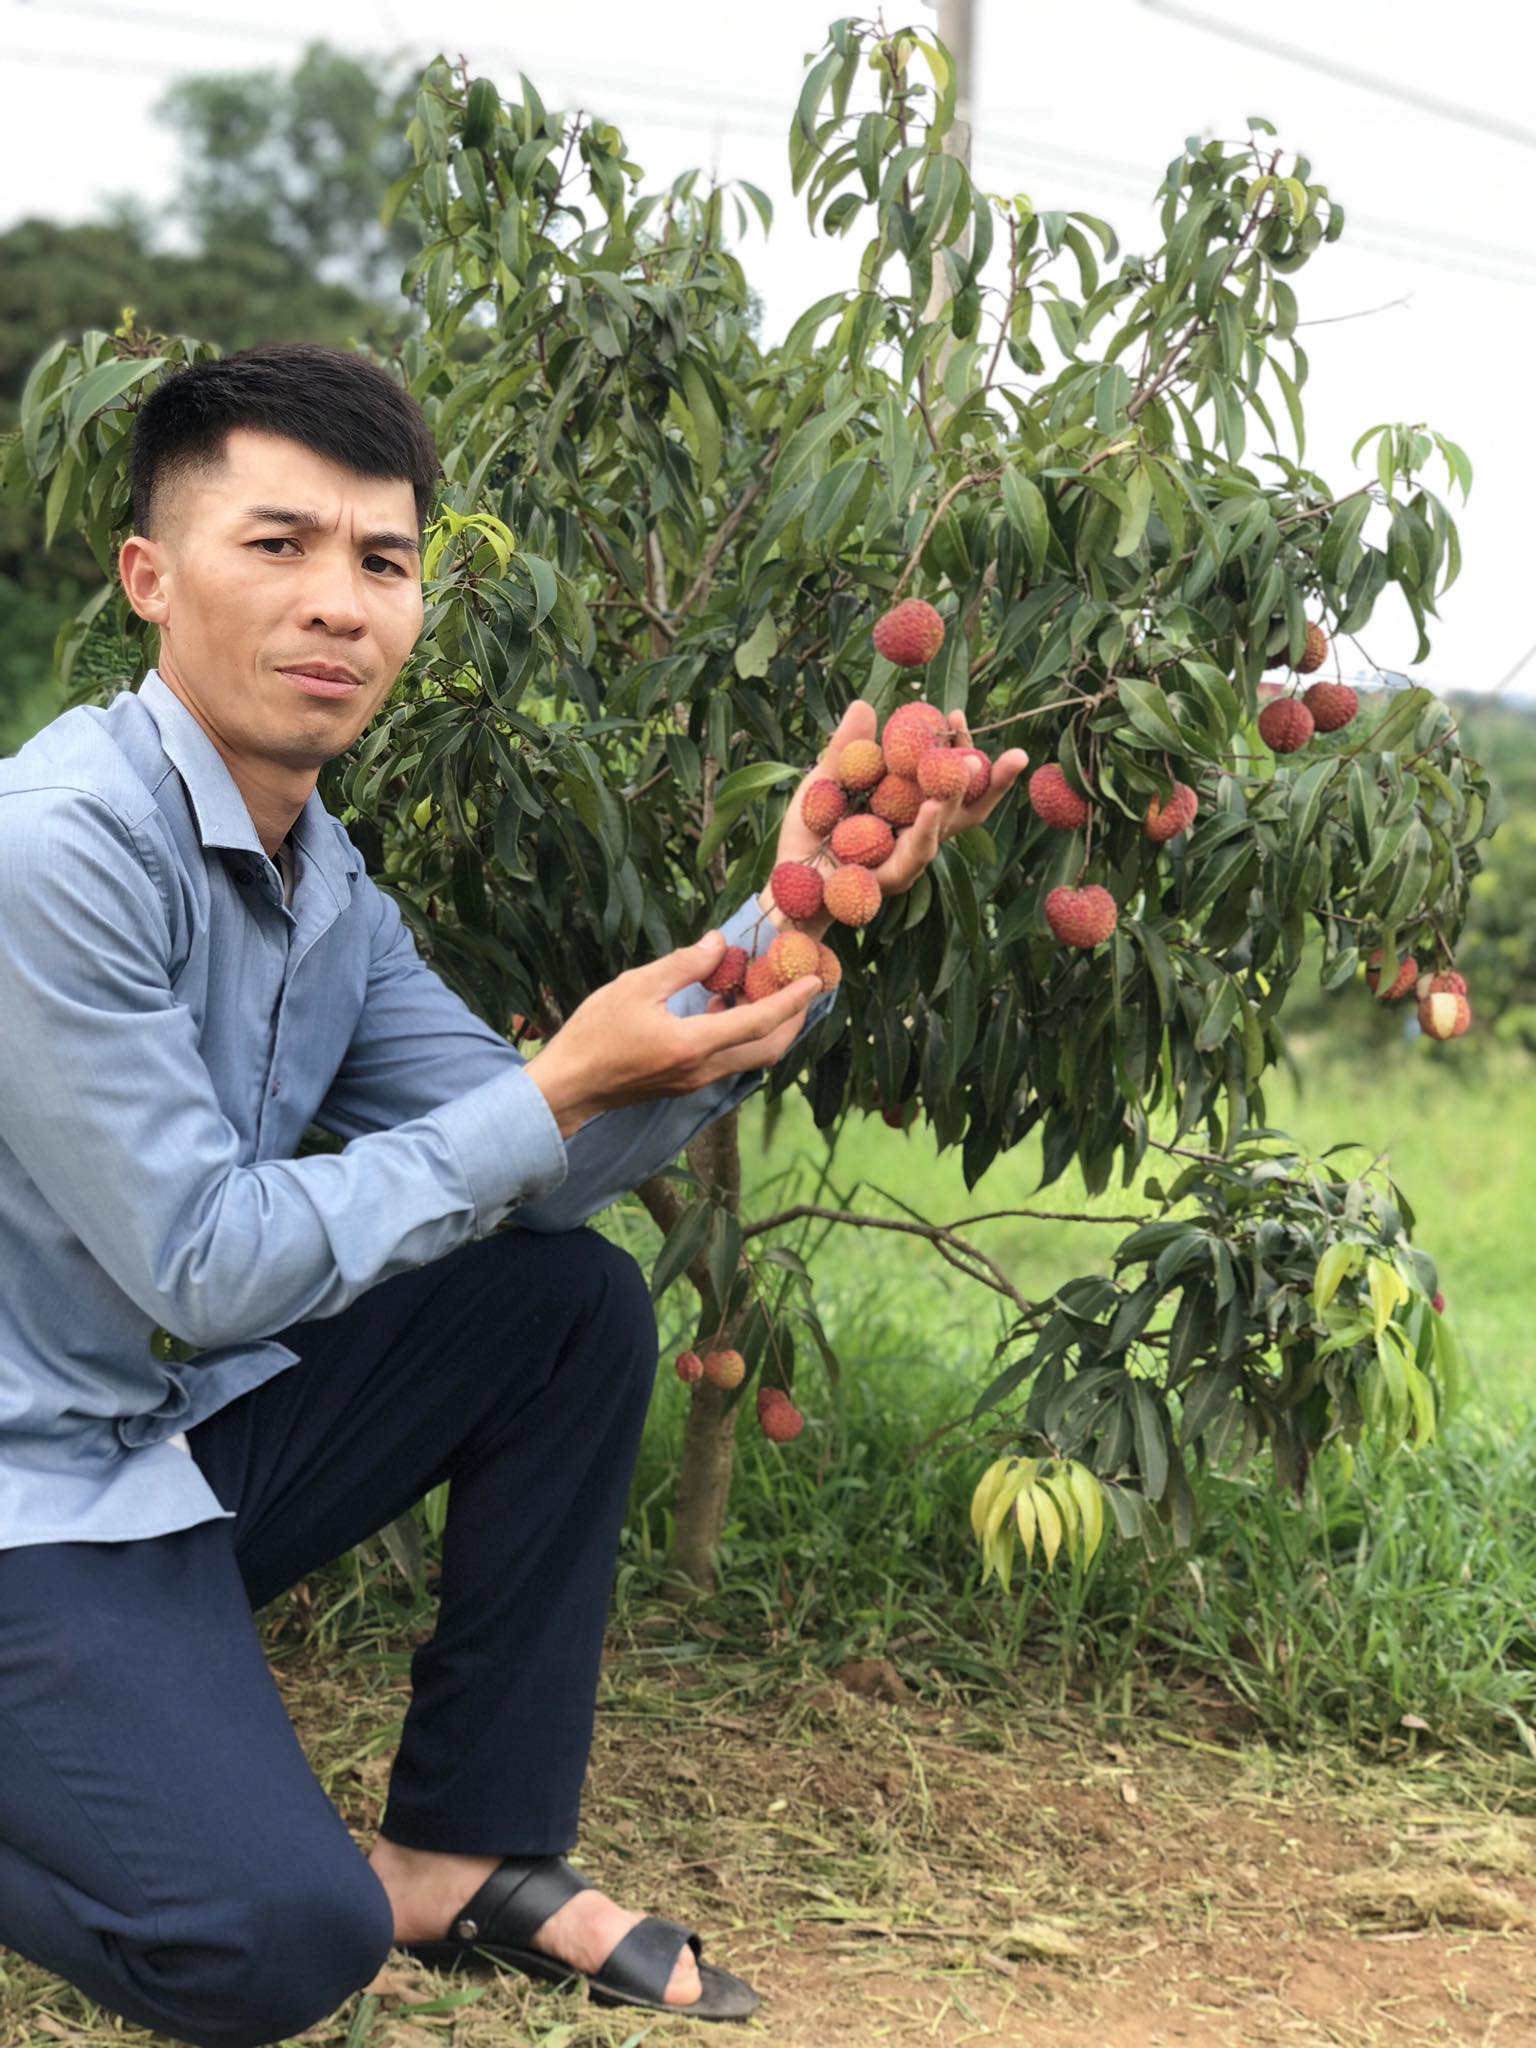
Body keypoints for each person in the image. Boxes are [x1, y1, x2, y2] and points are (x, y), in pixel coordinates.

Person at [0, 342, 1028, 2043]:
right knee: (273, 1945)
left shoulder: (325, 888)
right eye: (279, 546)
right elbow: (200, 1264)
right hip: (32, 1489)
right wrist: (554, 1080)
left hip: (160, 1453)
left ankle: (463, 1855)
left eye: (383, 563)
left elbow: (536, 1175)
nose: (340, 603)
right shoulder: (53, 853)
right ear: (148, 578)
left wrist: (795, 926)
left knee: (559, 1308)